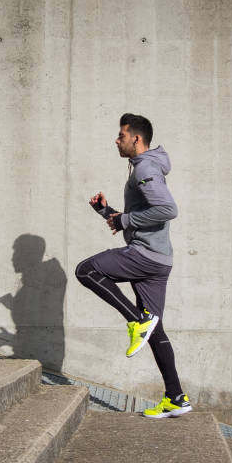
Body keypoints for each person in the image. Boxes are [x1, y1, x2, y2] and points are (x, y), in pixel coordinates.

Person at [75, 113, 192, 418]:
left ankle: (134, 320)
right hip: (159, 259)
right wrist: (108, 213)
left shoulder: (145, 166)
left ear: (136, 139)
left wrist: (125, 219)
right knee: (156, 329)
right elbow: (141, 216)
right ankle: (176, 397)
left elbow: (167, 209)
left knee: (85, 270)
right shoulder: (145, 166)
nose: (117, 140)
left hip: (145, 255)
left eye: (121, 135)